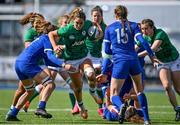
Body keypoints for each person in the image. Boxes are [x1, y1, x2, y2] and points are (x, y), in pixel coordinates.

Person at [5, 22, 74, 121]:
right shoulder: (46, 39)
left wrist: (62, 65)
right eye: (57, 34)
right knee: (50, 84)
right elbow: (50, 56)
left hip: (19, 63)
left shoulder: (41, 39)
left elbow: (48, 60)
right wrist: (63, 65)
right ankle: (41, 108)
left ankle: (12, 114)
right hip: (28, 64)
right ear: (52, 33)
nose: (59, 37)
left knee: (30, 91)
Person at [102, 5, 158, 125]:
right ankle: (147, 120)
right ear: (126, 13)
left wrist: (116, 52)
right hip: (134, 60)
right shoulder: (133, 25)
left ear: (115, 14)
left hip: (120, 62)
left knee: (114, 94)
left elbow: (107, 50)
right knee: (139, 91)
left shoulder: (109, 28)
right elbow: (143, 41)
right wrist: (152, 57)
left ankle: (122, 106)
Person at [48, 7, 103, 119]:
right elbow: (51, 34)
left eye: (81, 23)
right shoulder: (67, 29)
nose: (78, 25)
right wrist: (55, 47)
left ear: (84, 22)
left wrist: (98, 31)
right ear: (73, 21)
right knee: (77, 88)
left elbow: (97, 36)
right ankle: (82, 107)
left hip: (84, 57)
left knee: (91, 75)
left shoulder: (87, 25)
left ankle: (92, 92)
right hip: (71, 60)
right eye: (77, 23)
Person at [138, 18, 180, 121]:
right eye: (142, 29)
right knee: (166, 86)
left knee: (178, 88)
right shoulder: (144, 37)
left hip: (174, 60)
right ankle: (177, 109)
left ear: (152, 27)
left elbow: (152, 49)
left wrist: (135, 55)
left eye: (146, 28)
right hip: (161, 62)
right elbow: (136, 46)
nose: (144, 31)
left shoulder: (160, 34)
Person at [8, 12, 46, 113]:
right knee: (21, 89)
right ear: (35, 23)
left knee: (45, 84)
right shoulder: (31, 32)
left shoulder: (43, 32)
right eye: (41, 22)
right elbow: (28, 48)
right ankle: (12, 108)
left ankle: (31, 104)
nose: (43, 24)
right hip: (29, 64)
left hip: (38, 64)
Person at [85, 5, 107, 117]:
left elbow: (107, 42)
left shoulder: (105, 28)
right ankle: (77, 105)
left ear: (102, 16)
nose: (96, 18)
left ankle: (100, 107)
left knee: (99, 81)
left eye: (98, 15)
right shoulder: (87, 24)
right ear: (91, 16)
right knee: (78, 79)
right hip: (85, 56)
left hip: (97, 57)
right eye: (94, 16)